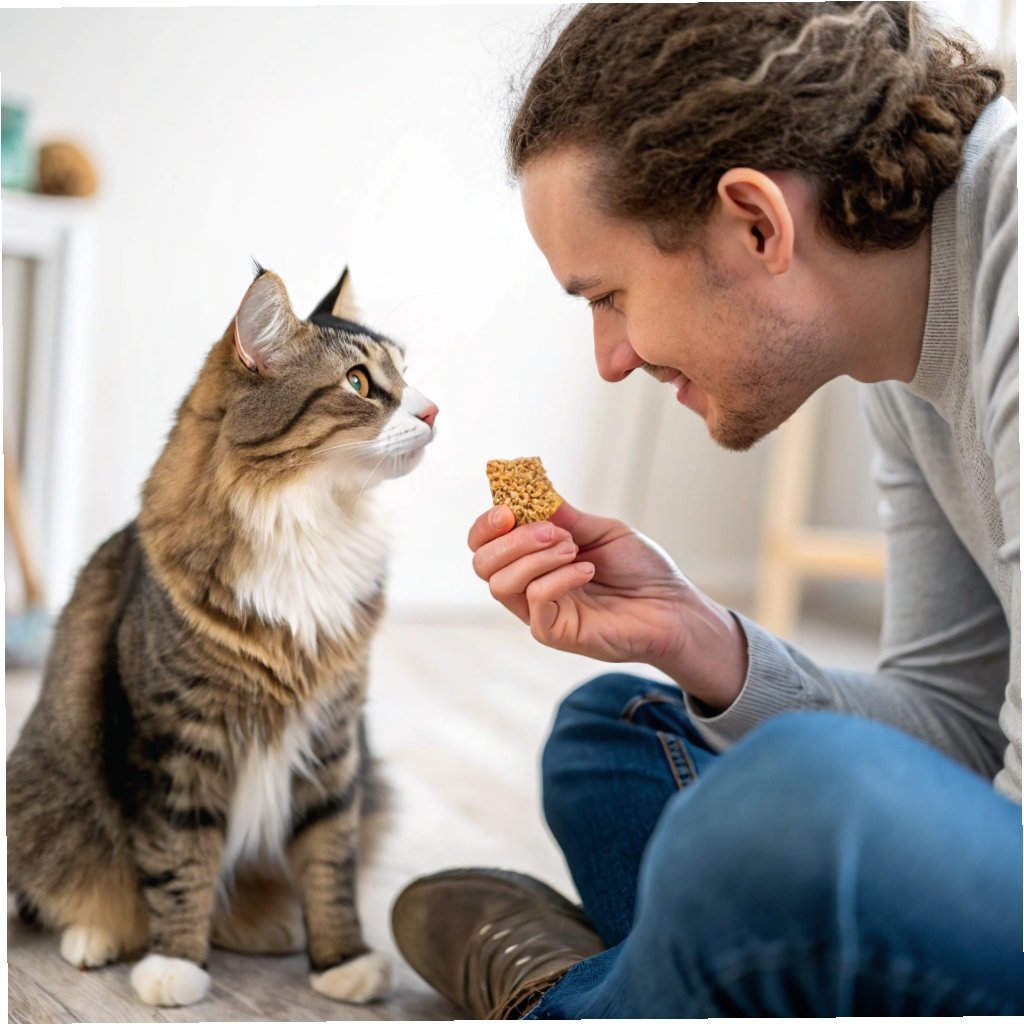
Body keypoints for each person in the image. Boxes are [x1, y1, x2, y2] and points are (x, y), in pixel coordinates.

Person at [392, 2, 1022, 1017]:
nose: (609, 359)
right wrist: (698, 637)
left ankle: (571, 996)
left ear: (756, 221)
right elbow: (956, 730)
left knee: (800, 795)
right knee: (619, 727)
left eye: (608, 295)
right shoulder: (900, 352)